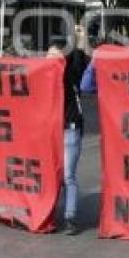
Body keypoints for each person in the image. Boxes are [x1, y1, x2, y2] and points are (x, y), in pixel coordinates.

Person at [47, 38, 89, 235]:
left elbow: (80, 61)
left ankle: (70, 216)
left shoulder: (70, 74)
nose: (50, 56)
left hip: (70, 130)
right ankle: (48, 213)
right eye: (48, 52)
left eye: (54, 52)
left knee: (67, 175)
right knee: (51, 174)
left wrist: (80, 41)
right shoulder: (44, 75)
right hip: (49, 132)